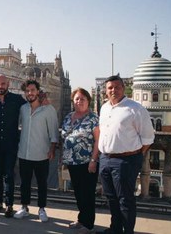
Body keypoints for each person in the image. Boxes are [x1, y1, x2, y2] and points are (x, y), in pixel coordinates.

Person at [99, 75, 154, 234]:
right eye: (110, 88)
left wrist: (134, 155)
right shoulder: (104, 108)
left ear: (123, 88)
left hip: (126, 161)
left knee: (125, 200)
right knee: (111, 198)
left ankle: (127, 231)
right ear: (106, 90)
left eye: (117, 87)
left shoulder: (135, 108)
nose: (113, 90)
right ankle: (115, 229)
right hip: (106, 159)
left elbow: (148, 138)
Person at [14, 80, 59, 222]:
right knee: (24, 183)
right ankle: (24, 207)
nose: (30, 93)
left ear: (38, 91)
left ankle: (41, 209)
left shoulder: (48, 109)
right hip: (24, 153)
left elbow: (54, 132)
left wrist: (52, 149)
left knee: (42, 183)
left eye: (32, 90)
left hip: (42, 153)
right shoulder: (23, 108)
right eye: (27, 91)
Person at [0, 74, 26, 217]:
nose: (0, 86)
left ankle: (9, 204)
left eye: (2, 84)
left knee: (9, 174)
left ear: (8, 84)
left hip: (11, 143)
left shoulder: (17, 100)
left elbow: (30, 108)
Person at [61, 88, 100, 234]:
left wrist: (93, 160)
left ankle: (88, 225)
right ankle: (81, 219)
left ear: (88, 101)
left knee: (87, 193)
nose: (79, 101)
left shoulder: (93, 118)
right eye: (76, 99)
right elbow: (64, 136)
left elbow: (98, 140)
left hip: (87, 161)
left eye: (82, 99)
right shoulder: (68, 116)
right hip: (72, 162)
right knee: (78, 192)